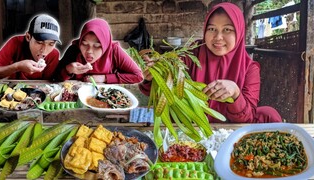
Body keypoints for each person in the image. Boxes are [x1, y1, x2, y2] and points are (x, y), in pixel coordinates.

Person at [140, 2, 282, 123]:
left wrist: (235, 93)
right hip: (191, 126)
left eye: (227, 29)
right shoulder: (190, 55)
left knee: (269, 114)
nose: (218, 37)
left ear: (239, 33)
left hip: (229, 129)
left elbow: (246, 117)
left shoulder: (249, 68)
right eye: (212, 29)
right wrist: (153, 75)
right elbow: (158, 89)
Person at [54, 18, 143, 84]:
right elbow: (55, 77)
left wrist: (104, 78)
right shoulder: (74, 50)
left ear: (105, 45)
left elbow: (138, 76)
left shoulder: (114, 51)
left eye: (96, 46)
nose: (89, 51)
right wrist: (68, 70)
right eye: (84, 44)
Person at [0, 14, 61, 80]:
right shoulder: (16, 43)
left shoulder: (53, 54)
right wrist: (17, 67)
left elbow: (51, 85)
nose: (44, 50)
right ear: (28, 37)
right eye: (39, 42)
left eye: (51, 44)